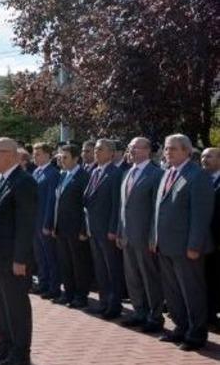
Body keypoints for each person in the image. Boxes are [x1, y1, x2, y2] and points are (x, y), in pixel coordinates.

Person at [0, 137, 36, 365]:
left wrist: (20, 259)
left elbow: (26, 225)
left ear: (12, 154)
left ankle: (20, 353)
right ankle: (4, 346)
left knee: (16, 307)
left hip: (12, 259)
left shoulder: (24, 182)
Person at [153, 134, 214, 350]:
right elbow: (159, 211)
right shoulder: (167, 173)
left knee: (192, 291)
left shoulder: (197, 176)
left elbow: (201, 215)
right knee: (172, 291)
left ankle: (196, 333)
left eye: (173, 149)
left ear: (187, 151)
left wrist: (194, 245)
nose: (167, 152)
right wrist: (155, 238)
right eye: (166, 149)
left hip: (187, 247)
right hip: (166, 245)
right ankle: (181, 327)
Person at [117, 137, 164, 332]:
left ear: (147, 150)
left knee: (149, 277)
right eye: (130, 147)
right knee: (133, 277)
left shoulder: (156, 174)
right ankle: (139, 311)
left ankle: (154, 316)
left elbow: (157, 210)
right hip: (127, 235)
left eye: (135, 147)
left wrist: (154, 237)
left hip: (145, 237)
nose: (131, 151)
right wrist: (120, 231)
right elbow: (123, 207)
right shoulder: (128, 173)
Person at [83, 138, 124, 319]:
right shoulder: (94, 172)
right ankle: (104, 302)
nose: (96, 152)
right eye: (96, 150)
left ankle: (114, 305)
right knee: (100, 268)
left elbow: (117, 204)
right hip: (93, 229)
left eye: (100, 149)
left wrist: (113, 229)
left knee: (111, 269)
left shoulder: (115, 173)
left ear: (111, 153)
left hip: (107, 230)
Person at [51, 144, 92, 308]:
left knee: (79, 264)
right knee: (65, 263)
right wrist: (54, 225)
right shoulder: (62, 175)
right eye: (60, 157)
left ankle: (81, 296)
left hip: (76, 230)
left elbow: (86, 205)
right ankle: (68, 293)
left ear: (76, 158)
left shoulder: (83, 176)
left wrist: (83, 229)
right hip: (61, 228)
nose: (61, 159)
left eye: (65, 157)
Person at [31, 143, 60, 299]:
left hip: (44, 222)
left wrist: (48, 223)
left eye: (38, 154)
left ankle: (53, 286)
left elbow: (51, 200)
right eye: (34, 154)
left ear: (48, 155)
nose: (35, 157)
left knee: (50, 256)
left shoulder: (52, 173)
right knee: (40, 256)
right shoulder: (36, 172)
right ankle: (43, 283)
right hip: (35, 221)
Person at [201, 147, 220, 332]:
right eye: (203, 156)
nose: (205, 159)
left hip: (217, 240)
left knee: (215, 279)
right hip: (202, 240)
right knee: (205, 278)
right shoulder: (200, 180)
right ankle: (207, 314)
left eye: (209, 156)